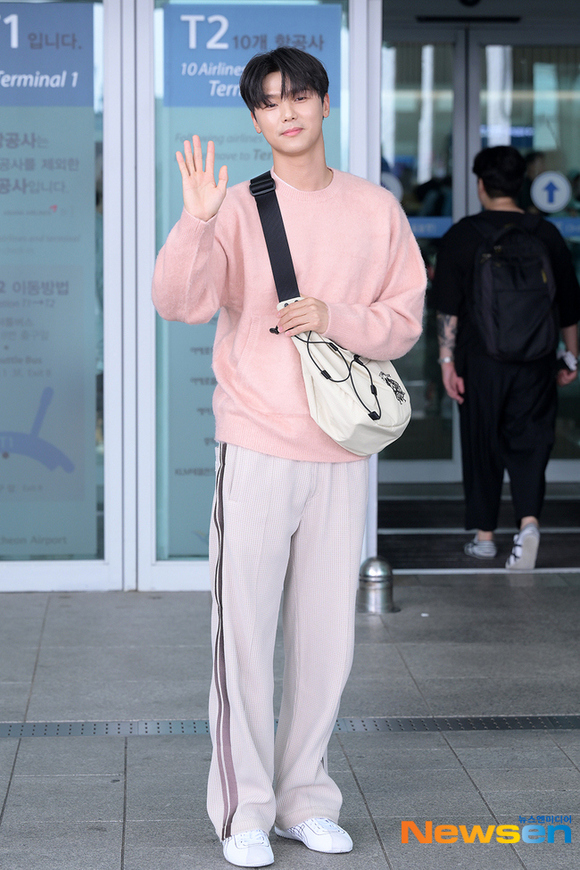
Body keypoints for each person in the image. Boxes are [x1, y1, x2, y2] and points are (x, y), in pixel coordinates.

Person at [152, 46, 425, 868]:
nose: (288, 111)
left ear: (325, 104)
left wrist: (335, 316)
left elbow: (404, 320)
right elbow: (179, 303)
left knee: (325, 641)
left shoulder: (375, 209)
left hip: (341, 449)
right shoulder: (237, 206)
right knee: (242, 636)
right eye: (270, 102)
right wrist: (198, 221)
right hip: (258, 445)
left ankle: (306, 798)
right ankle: (244, 809)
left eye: (299, 95)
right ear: (256, 118)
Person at [432, 146, 580, 570]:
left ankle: (484, 538)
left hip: (480, 360)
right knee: (531, 443)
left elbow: (448, 307)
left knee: (483, 443)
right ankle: (528, 523)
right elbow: (569, 305)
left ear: (481, 185)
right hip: (536, 360)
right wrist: (571, 357)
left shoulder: (463, 235)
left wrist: (446, 361)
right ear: (521, 185)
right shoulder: (546, 234)